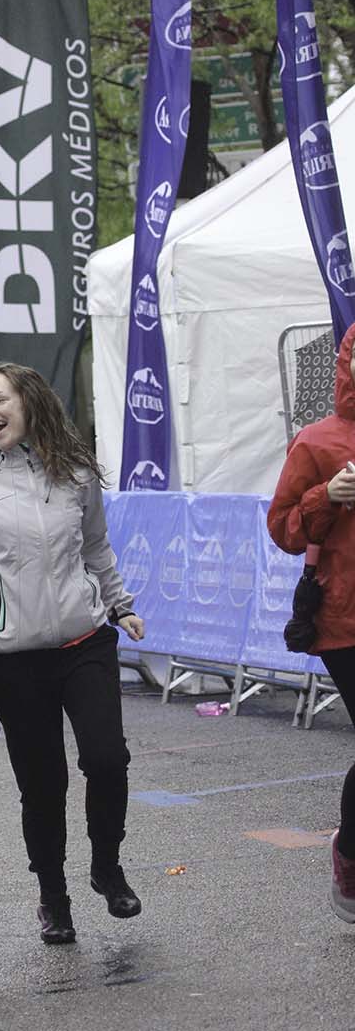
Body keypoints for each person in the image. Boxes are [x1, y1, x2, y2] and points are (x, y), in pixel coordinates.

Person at [0, 362, 146, 946]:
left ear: (30, 403)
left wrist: (120, 603)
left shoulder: (77, 474)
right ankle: (53, 897)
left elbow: (97, 547)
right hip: (14, 657)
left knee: (106, 759)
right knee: (43, 783)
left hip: (86, 642)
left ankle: (106, 866)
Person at [268, 319, 355, 924]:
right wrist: (329, 494)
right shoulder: (318, 442)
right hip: (345, 621)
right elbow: (282, 530)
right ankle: (348, 857)